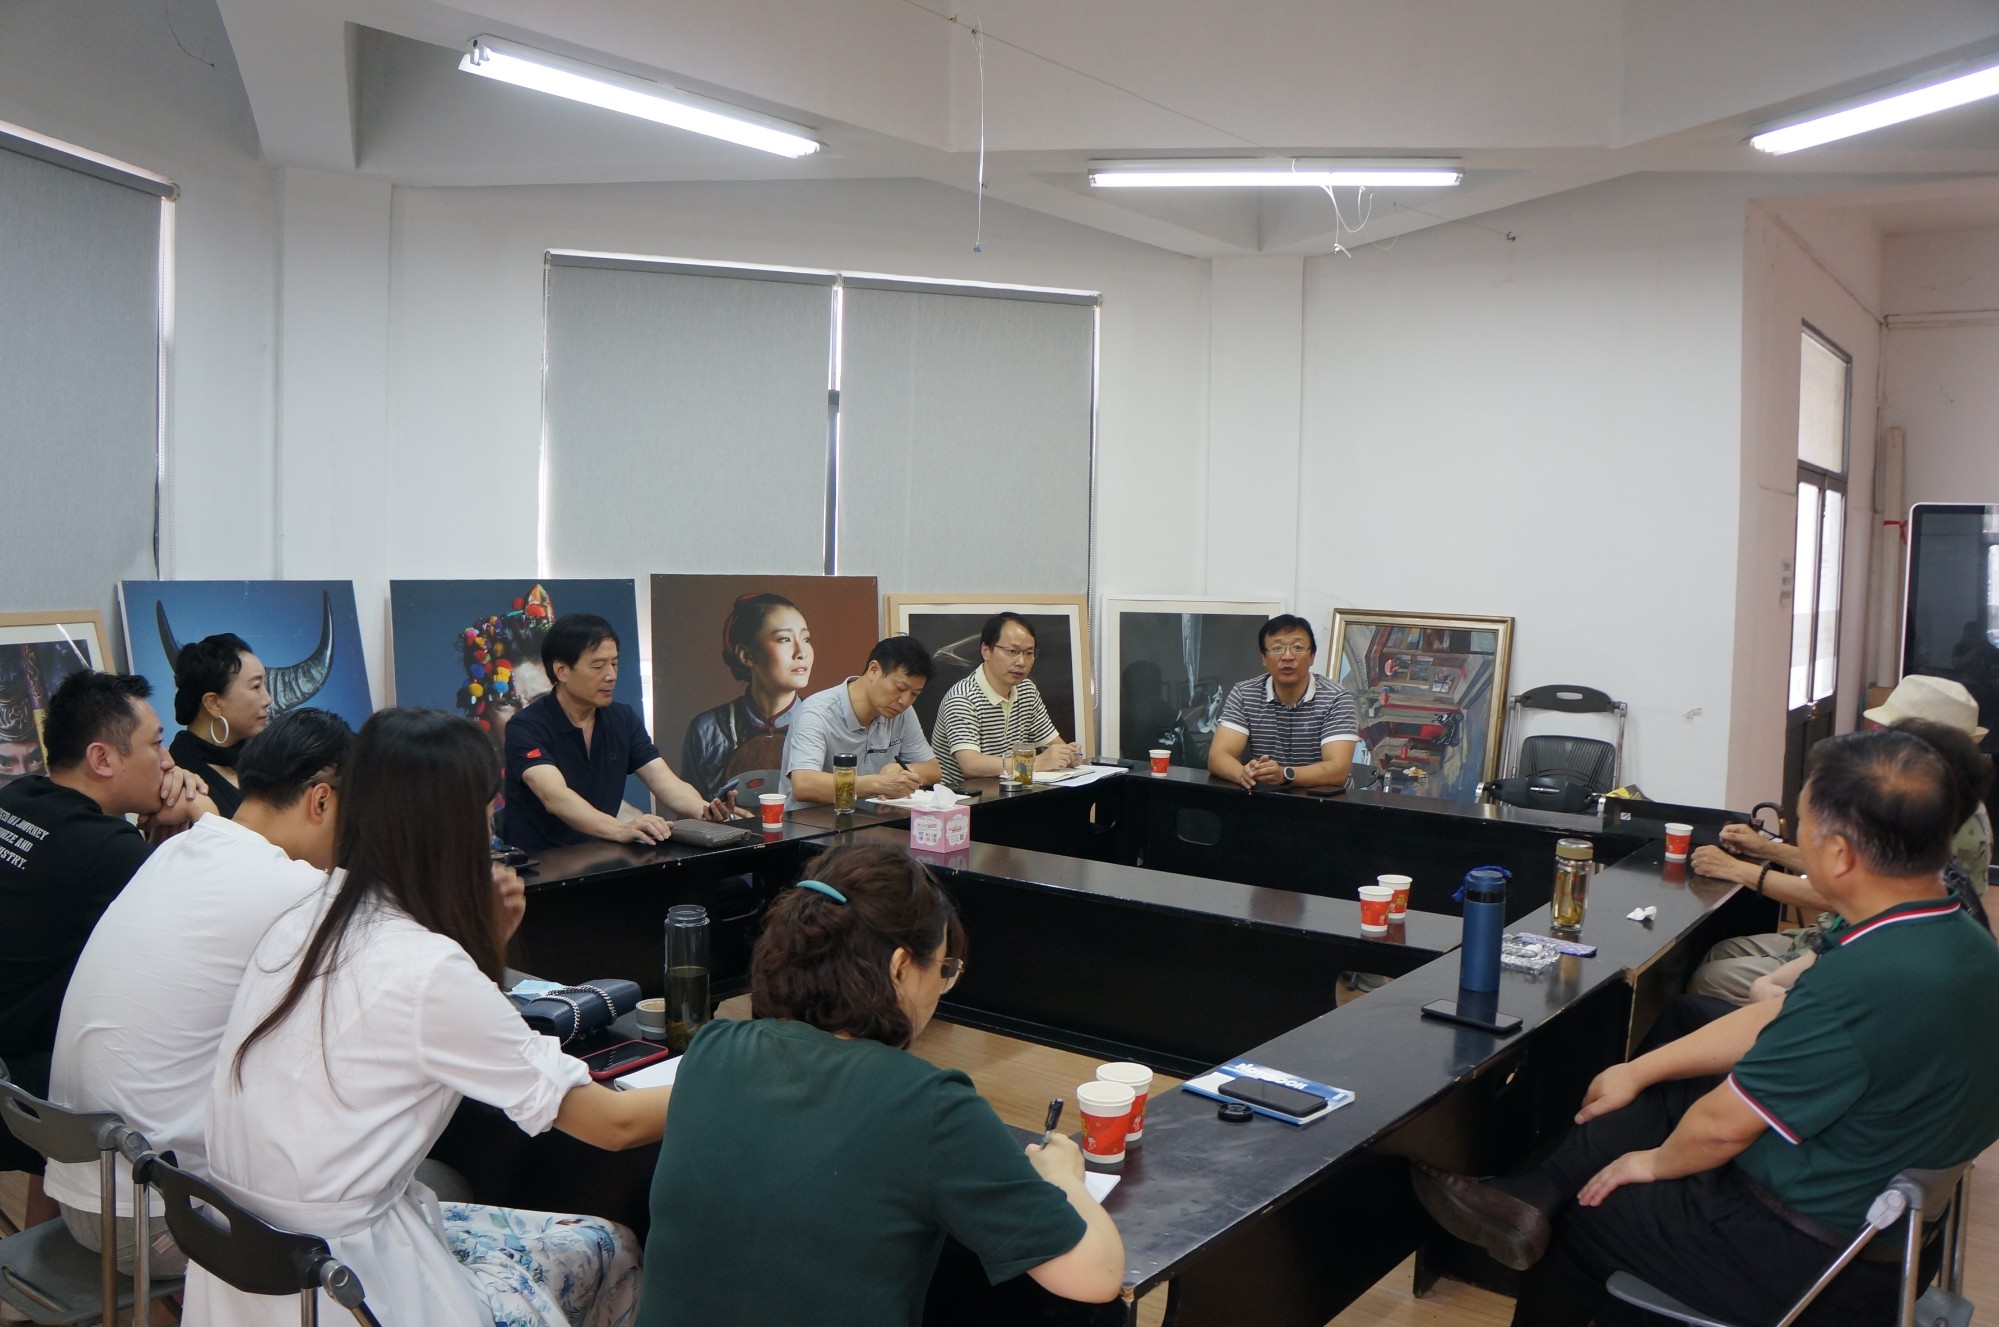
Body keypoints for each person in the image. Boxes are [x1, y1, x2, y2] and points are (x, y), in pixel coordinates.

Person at [1411, 727, 1999, 1327]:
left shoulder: (1868, 979)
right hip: (1888, 1223)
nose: (1795, 840)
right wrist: (1637, 1070)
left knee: (1593, 1210)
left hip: (1819, 1257)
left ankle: (1552, 1203)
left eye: (1803, 828)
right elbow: (1775, 1016)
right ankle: (1536, 1191)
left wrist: (1650, 1164)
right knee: (1684, 1041)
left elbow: (1720, 1128)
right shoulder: (1960, 936)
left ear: (1842, 855)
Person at [191, 707, 672, 1327]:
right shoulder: (425, 969)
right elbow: (614, 1125)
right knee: (612, 1245)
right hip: (350, 1282)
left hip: (254, 1264)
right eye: (484, 811)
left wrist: (480, 949)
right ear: (454, 826)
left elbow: (429, 1025)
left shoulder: (305, 916)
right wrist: (728, 1074)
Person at [637, 843, 1124, 1326]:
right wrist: (1063, 1178)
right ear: (900, 968)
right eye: (943, 969)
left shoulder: (712, 1048)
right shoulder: (928, 1103)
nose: (941, 989)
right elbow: (1095, 1277)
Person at [43, 707, 352, 1274]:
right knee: (388, 1196)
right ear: (321, 800)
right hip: (154, 1223)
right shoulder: (298, 889)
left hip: (85, 1192)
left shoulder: (179, 848)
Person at [0, 671, 211, 1226]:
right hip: (20, 1083)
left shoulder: (20, 796)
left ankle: (41, 1253)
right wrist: (201, 817)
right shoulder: (105, 851)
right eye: (156, 744)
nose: (169, 761)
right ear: (102, 759)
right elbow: (208, 921)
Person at [1688, 674, 1993, 1002]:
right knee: (1719, 953)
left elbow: (1849, 888)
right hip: (1841, 937)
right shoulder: (1938, 802)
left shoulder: (1930, 816)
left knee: (1711, 978)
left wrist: (1738, 870)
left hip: (1860, 954)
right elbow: (1848, 867)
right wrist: (1766, 848)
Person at [501, 613, 726, 852]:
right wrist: (621, 828)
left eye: (614, 663)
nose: (611, 676)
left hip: (602, 857)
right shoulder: (525, 727)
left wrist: (706, 810)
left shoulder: (622, 719)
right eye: (598, 666)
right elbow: (555, 797)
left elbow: (666, 783)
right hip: (542, 862)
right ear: (562, 671)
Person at [780, 636, 942, 809]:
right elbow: (804, 785)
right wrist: (879, 783)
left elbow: (933, 770)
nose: (905, 701)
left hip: (870, 818)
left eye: (915, 694)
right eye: (900, 688)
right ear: (874, 670)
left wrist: (902, 771)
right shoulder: (817, 712)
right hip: (812, 820)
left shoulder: (902, 714)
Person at [680, 592, 815, 799]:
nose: (801, 652)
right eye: (784, 639)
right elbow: (689, 812)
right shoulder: (708, 729)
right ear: (746, 655)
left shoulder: (824, 723)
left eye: (806, 639)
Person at [1207, 614, 1361, 791]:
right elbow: (1218, 756)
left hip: (1325, 801)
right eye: (1277, 648)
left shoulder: (1336, 699)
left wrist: (1285, 775)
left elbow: (1338, 770)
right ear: (1263, 657)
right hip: (1265, 797)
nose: (1287, 656)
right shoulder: (1244, 693)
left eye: (1297, 647)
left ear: (1312, 656)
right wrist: (1243, 774)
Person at [931, 613, 1081, 785]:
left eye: (1029, 653)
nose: (1021, 662)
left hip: (1010, 792)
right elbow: (970, 765)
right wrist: (1035, 763)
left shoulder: (1027, 690)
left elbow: (1053, 744)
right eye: (1012, 651)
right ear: (986, 650)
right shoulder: (963, 698)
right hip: (963, 797)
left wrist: (1069, 755)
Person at [169, 632, 273, 819]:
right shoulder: (179, 780)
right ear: (214, 703)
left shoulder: (265, 762)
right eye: (256, 686)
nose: (268, 700)